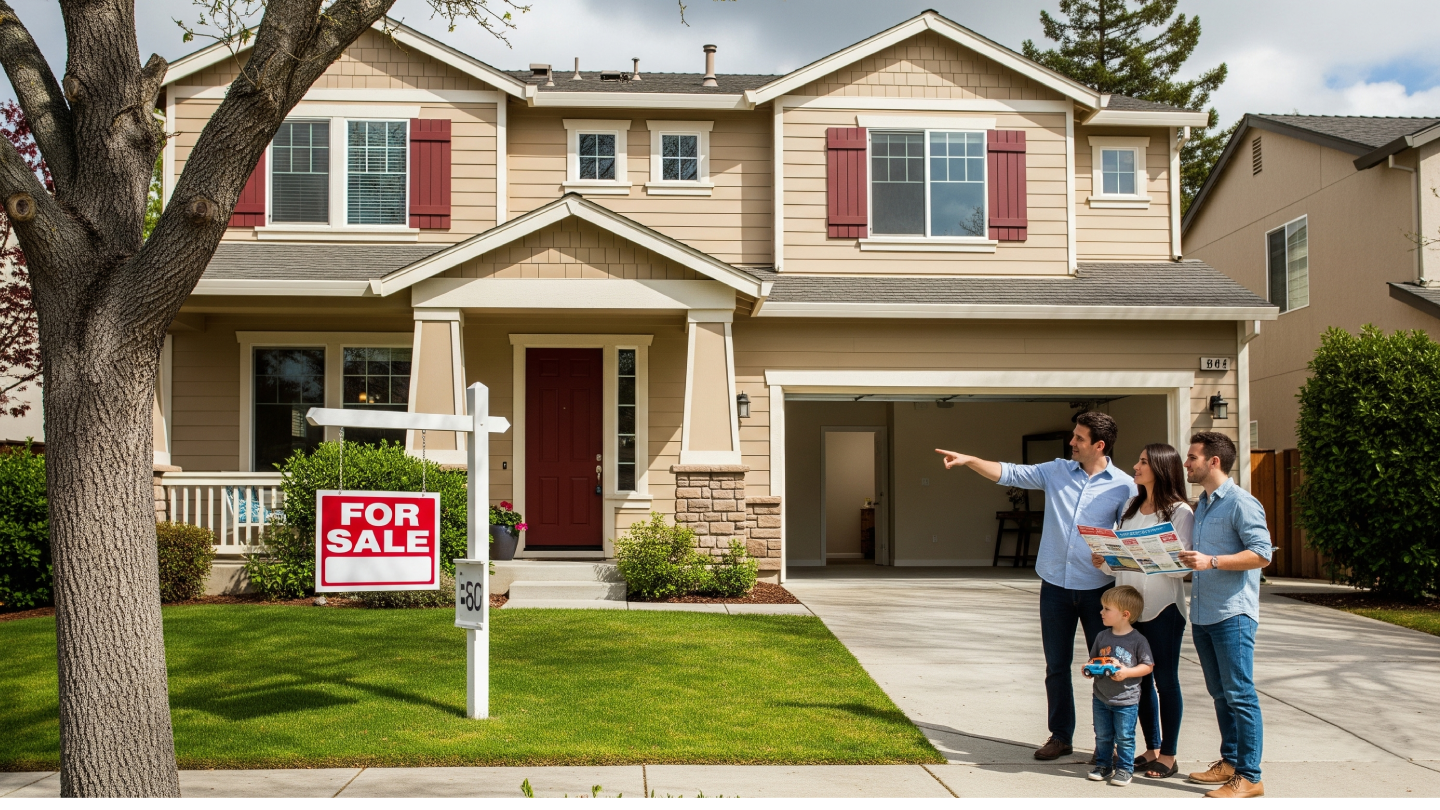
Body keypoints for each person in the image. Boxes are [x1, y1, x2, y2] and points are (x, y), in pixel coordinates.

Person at [936, 412, 1136, 761]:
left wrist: (1109, 557)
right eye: (1073, 436)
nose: (1071, 442)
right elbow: (1010, 472)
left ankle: (1110, 742)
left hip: (1098, 592)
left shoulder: (1123, 486)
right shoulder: (1057, 470)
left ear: (1099, 445)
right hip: (1055, 586)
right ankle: (1060, 736)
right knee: (1056, 666)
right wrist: (970, 461)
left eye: (1079, 438)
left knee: (1105, 667)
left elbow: (1126, 538)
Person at [1089, 444, 1193, 779]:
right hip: (1129, 612)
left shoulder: (1179, 511)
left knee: (1165, 680)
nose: (1135, 466)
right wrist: (1103, 560)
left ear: (1161, 468)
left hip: (1163, 610)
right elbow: (1118, 568)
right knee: (1140, 684)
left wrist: (1151, 558)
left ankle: (1169, 754)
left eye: (1143, 462)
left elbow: (1182, 568)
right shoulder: (1132, 509)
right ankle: (1150, 749)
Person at [1178, 432, 1273, 799]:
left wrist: (1212, 561)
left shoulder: (1241, 503)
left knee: (1240, 694)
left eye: (1192, 457)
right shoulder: (1203, 504)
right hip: (1203, 613)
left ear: (1213, 461)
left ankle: (1250, 777)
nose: (1186, 463)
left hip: (1232, 615)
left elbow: (1262, 554)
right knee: (1220, 694)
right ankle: (1230, 761)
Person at [1083, 585, 1154, 787]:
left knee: (1125, 737)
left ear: (1125, 614)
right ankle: (1103, 766)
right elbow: (1094, 659)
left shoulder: (1138, 640)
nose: (1101, 612)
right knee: (1103, 736)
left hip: (1126, 700)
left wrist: (1126, 672)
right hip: (1101, 697)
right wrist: (1088, 668)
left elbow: (1148, 666)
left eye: (1107, 609)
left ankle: (1124, 769)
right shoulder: (1102, 636)